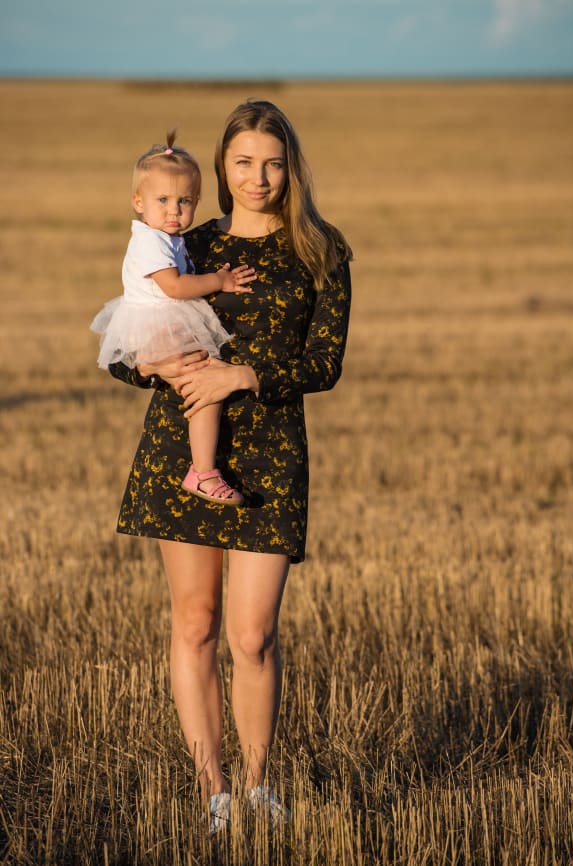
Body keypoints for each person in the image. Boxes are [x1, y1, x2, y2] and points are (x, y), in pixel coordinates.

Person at [108, 100, 352, 834]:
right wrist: (151, 366)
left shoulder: (323, 250)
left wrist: (239, 377)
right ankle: (214, 792)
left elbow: (324, 364)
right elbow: (131, 337)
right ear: (221, 168)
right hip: (181, 454)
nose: (259, 177)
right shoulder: (188, 241)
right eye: (243, 162)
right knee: (196, 624)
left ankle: (258, 786)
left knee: (253, 636)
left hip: (272, 459)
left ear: (292, 168)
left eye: (273, 163)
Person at [90, 132, 256, 504]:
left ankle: (203, 468)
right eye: (162, 200)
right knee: (206, 388)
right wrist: (220, 280)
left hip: (163, 321)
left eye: (184, 201)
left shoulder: (168, 237)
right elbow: (176, 287)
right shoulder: (150, 241)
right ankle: (202, 472)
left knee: (205, 384)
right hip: (156, 325)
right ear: (138, 202)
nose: (173, 210)